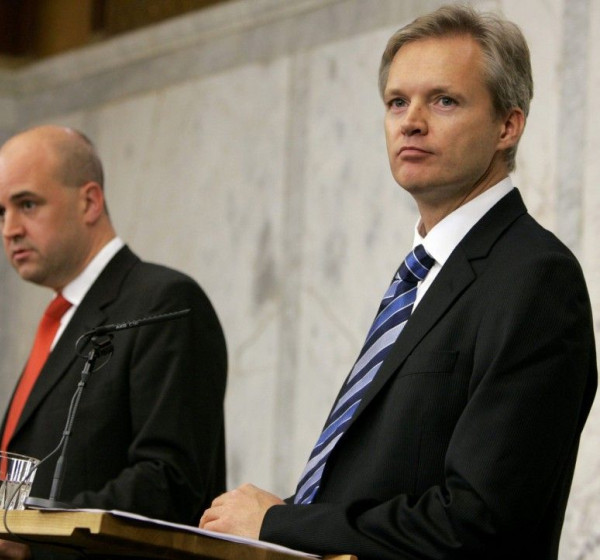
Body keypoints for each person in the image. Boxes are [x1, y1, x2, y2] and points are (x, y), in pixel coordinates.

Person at [199, 5, 597, 559]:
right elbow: (379, 487)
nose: (411, 121)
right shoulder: (424, 274)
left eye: (444, 100)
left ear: (508, 125)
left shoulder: (534, 278)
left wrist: (281, 524)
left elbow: (482, 523)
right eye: (396, 102)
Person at [0, 125, 227, 557]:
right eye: (0, 212)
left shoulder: (162, 302)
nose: (9, 229)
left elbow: (169, 486)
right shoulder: (64, 318)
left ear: (89, 201)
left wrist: (28, 538)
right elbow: (26, 503)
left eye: (27, 204)